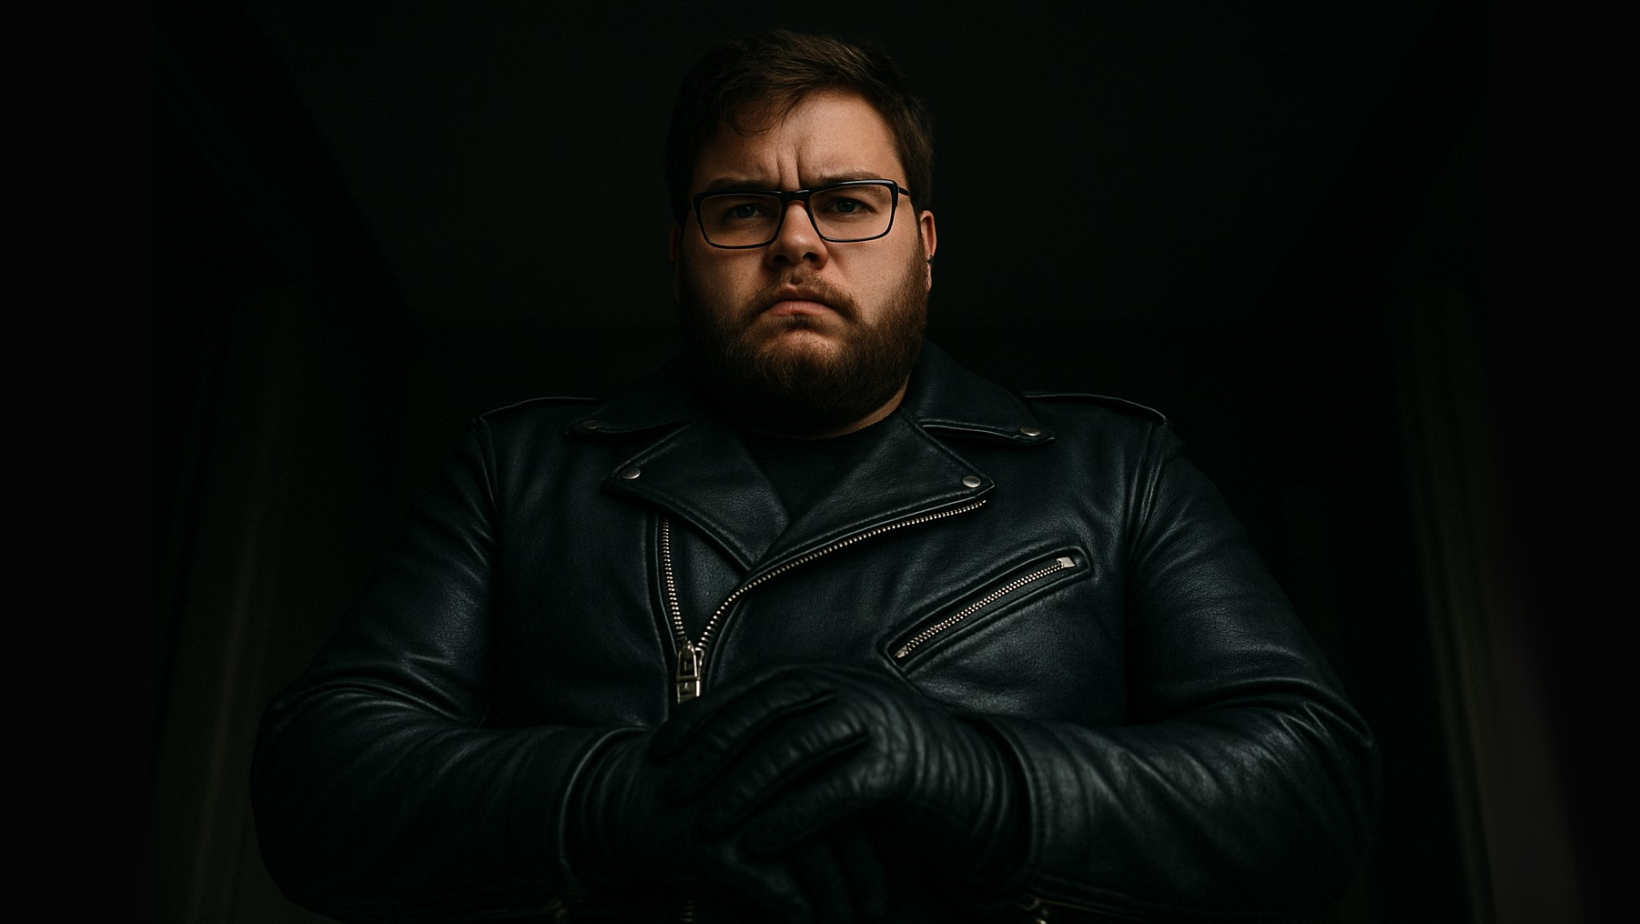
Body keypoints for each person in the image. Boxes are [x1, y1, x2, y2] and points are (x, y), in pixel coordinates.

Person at [253, 29, 1379, 924]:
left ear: (924, 242)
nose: (797, 241)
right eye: (742, 208)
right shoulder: (525, 469)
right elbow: (323, 780)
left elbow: (1308, 788)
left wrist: (985, 786)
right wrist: (606, 798)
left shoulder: (1115, 471)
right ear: (681, 248)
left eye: (845, 202)